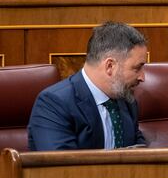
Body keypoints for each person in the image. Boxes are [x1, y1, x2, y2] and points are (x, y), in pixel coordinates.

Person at [28, 21, 147, 151]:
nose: (142, 77)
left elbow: (139, 151)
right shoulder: (53, 104)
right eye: (137, 68)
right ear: (110, 66)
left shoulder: (127, 101)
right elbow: (60, 167)